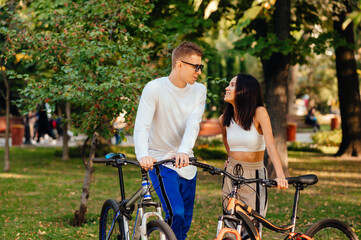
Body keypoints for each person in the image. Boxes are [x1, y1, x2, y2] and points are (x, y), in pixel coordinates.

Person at [133, 42, 206, 240]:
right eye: (195, 67)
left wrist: (184, 151)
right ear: (179, 64)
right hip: (160, 160)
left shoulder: (199, 90)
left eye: (200, 67)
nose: (198, 72)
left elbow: (193, 123)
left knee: (185, 223)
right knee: (176, 213)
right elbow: (142, 126)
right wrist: (143, 155)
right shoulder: (154, 88)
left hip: (186, 162)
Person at [219, 74, 288, 238]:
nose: (227, 88)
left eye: (233, 85)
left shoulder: (259, 113)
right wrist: (230, 158)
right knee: (230, 223)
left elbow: (270, 145)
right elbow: (226, 140)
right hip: (230, 174)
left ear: (245, 90)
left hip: (254, 175)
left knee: (251, 227)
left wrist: (280, 175)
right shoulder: (224, 119)